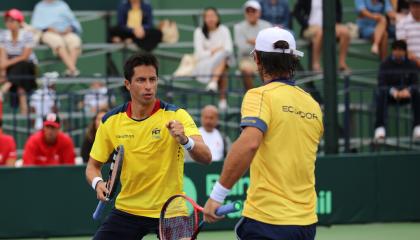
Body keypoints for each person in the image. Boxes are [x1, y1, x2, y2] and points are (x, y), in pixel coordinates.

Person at [203, 27, 323, 240]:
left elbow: (249, 143)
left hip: (268, 221)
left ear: (257, 59)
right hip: (306, 225)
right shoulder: (313, 105)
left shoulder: (259, 96)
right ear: (294, 59)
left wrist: (217, 195)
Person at [85, 53, 211, 239]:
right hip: (128, 210)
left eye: (153, 79)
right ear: (127, 84)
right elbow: (92, 167)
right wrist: (98, 183)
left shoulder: (177, 115)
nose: (148, 86)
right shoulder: (110, 121)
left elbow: (206, 157)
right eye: (141, 80)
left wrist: (185, 140)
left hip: (171, 211)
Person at [374, 40, 420, 141]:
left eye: (401, 50)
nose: (398, 52)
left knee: (417, 93)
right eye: (396, 50)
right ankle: (380, 129)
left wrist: (408, 91)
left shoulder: (411, 64)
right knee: (380, 94)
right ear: (392, 51)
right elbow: (381, 83)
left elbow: (415, 83)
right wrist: (393, 92)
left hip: (407, 95)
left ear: (405, 51)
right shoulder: (385, 64)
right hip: (390, 96)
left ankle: (417, 127)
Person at [193, 7, 233, 111]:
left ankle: (213, 83)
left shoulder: (224, 30)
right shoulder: (198, 32)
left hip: (221, 62)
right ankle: (222, 100)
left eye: (213, 16)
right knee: (223, 68)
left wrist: (210, 52)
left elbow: (228, 50)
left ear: (217, 18)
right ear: (204, 19)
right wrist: (214, 50)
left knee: (223, 57)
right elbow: (199, 54)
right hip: (204, 65)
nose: (210, 19)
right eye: (208, 16)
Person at [294, 0, 350, 72]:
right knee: (320, 32)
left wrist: (336, 23)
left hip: (331, 27)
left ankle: (342, 64)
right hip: (311, 28)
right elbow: (296, 11)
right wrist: (306, 24)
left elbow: (339, 11)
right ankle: (315, 64)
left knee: (345, 32)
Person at [0, 9, 38, 115]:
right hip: (12, 70)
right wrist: (3, 71)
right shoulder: (3, 35)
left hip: (28, 68)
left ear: (19, 22)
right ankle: (23, 109)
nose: (9, 23)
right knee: (20, 83)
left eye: (12, 20)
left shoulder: (27, 35)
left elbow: (25, 57)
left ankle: (7, 86)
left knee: (22, 65)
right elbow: (2, 55)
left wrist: (4, 66)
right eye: (7, 20)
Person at [31, 0, 82, 76]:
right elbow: (36, 26)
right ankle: (73, 69)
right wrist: (49, 29)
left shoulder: (63, 5)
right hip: (48, 33)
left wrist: (70, 28)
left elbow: (73, 22)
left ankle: (70, 71)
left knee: (75, 40)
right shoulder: (40, 6)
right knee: (57, 41)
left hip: (65, 33)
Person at [234, 0, 271, 90]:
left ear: (259, 12)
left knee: (267, 69)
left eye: (253, 11)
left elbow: (269, 46)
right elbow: (242, 48)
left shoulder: (267, 25)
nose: (250, 13)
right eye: (248, 11)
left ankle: (267, 94)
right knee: (246, 70)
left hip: (264, 59)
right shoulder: (238, 27)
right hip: (246, 59)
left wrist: (252, 41)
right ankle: (251, 96)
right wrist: (260, 42)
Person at [397, 0, 420, 67]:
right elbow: (403, 47)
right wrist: (417, 60)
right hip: (410, 63)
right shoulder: (402, 23)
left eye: (418, 6)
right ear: (410, 6)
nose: (416, 9)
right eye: (414, 6)